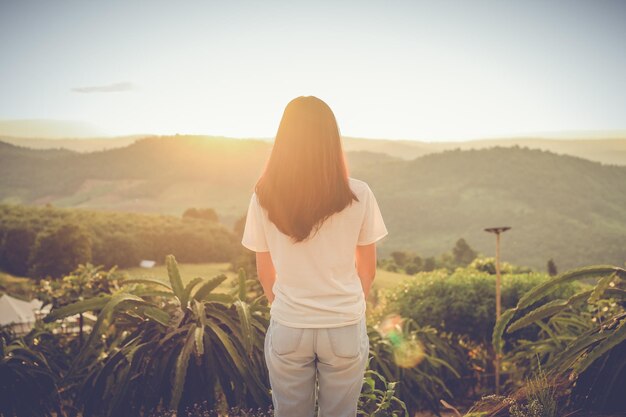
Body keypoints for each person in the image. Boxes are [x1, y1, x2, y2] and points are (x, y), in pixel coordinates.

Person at [241, 96, 388, 417]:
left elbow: (264, 270)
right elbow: (368, 268)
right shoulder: (359, 194)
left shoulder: (264, 195)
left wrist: (285, 307)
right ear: (331, 140)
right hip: (344, 325)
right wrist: (348, 305)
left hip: (290, 324)